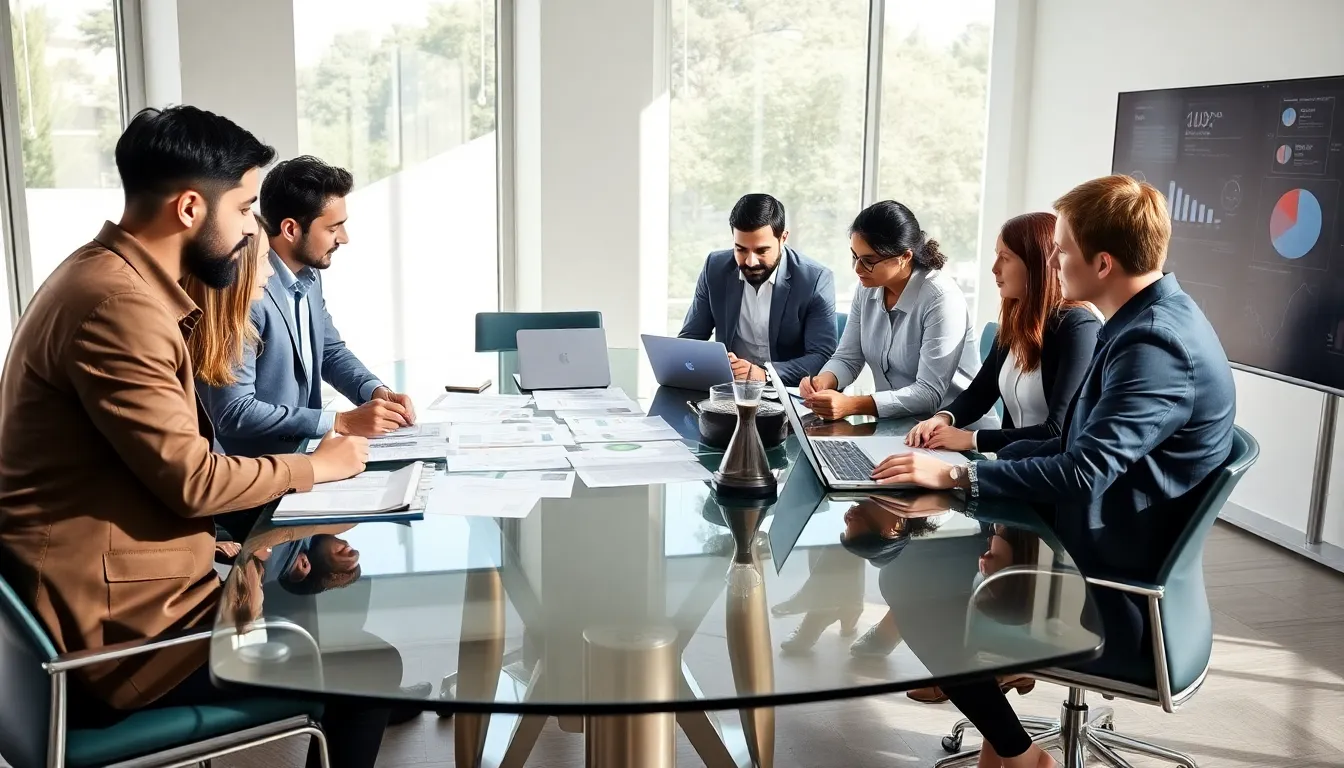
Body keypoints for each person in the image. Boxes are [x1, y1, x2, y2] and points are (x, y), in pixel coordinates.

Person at [0, 106, 382, 768]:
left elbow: (134, 469)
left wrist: (218, 546)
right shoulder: (118, 307)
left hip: (121, 599)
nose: (247, 232)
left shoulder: (101, 279)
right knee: (367, 666)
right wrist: (318, 466)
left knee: (334, 620)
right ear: (187, 210)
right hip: (121, 646)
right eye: (241, 210)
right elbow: (192, 478)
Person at [870, 175, 1237, 768]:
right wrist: (971, 469)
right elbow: (1073, 441)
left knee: (911, 589)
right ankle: (1005, 741)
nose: (1056, 260)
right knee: (918, 561)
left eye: (1062, 249)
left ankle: (1018, 753)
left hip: (1105, 576)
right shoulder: (1147, 319)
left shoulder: (1152, 344)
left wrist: (964, 480)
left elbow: (1085, 469)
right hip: (1089, 532)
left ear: (1103, 261)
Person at [200, 155, 416, 459]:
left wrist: (374, 391)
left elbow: (328, 351)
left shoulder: (310, 276)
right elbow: (234, 411)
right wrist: (340, 422)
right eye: (333, 228)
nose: (344, 238)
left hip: (306, 457)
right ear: (291, 229)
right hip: (259, 471)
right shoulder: (245, 292)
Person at [905, 212, 1101, 453]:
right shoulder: (1016, 321)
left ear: (1036, 263)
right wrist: (942, 419)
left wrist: (971, 439)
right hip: (1012, 469)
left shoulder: (1078, 328)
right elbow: (979, 394)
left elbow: (1058, 431)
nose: (994, 268)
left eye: (1004, 257)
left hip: (1047, 478)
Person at [800, 200, 987, 423]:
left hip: (952, 434)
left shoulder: (941, 298)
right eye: (854, 256)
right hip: (896, 429)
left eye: (868, 261)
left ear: (905, 257)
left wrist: (852, 405)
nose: (857, 269)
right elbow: (848, 357)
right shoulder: (866, 287)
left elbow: (929, 394)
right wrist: (824, 381)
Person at [678, 193, 838, 385]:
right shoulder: (715, 267)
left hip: (788, 395)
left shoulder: (815, 279)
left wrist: (764, 374)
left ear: (783, 238)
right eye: (741, 249)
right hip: (731, 391)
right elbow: (691, 339)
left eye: (762, 251)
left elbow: (822, 357)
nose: (750, 262)